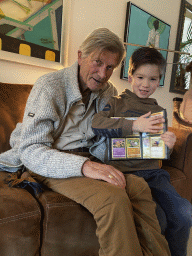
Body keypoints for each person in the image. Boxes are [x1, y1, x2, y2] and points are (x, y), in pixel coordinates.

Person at [0, 29, 171, 256]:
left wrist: (150, 145)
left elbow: (104, 136)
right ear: (81, 56)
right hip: (51, 160)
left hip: (87, 156)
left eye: (110, 67)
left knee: (138, 186)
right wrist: (85, 166)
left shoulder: (107, 92)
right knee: (113, 198)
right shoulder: (49, 86)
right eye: (97, 62)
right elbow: (31, 150)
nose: (102, 73)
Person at [92, 46, 192, 256]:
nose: (146, 84)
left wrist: (169, 146)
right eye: (140, 77)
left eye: (153, 79)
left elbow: (161, 153)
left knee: (184, 214)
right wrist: (134, 126)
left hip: (154, 174)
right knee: (158, 219)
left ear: (159, 80)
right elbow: (96, 123)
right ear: (130, 76)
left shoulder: (158, 110)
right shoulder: (116, 103)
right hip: (126, 175)